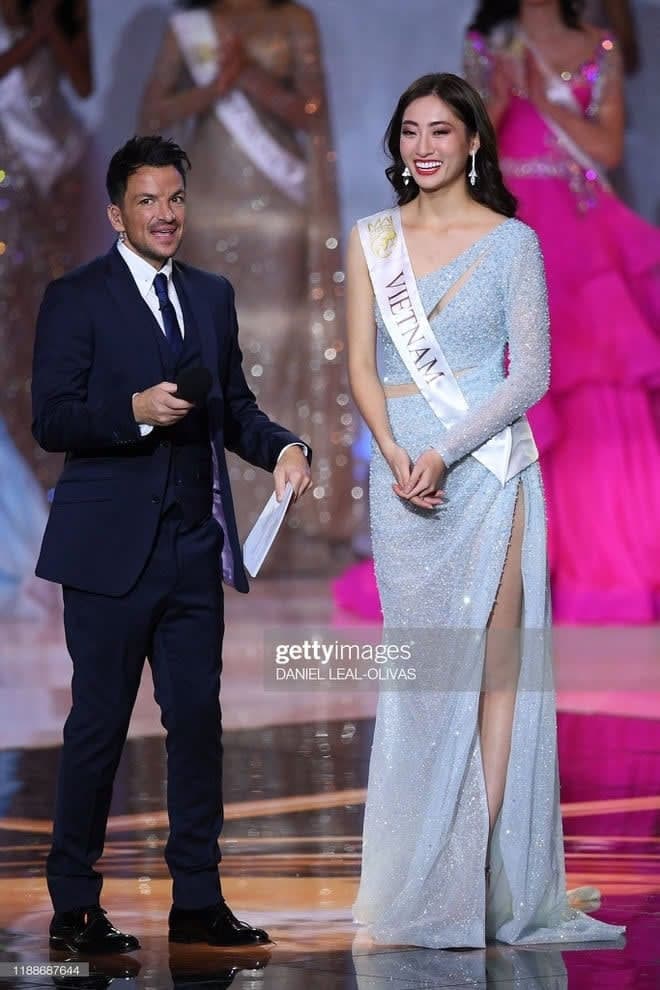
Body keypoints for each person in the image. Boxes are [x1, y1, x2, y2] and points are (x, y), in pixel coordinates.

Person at [348, 72, 624, 947]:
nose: (423, 147)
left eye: (441, 130)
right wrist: (397, 454)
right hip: (403, 481)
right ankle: (416, 871)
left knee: (495, 678)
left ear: (474, 141)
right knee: (424, 679)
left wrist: (445, 450)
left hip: (489, 469)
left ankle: (468, 870)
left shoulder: (513, 243)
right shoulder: (371, 240)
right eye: (409, 132)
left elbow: (530, 375)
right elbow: (359, 364)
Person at [31, 135, 312, 953]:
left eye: (176, 199)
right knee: (99, 726)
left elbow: (236, 409)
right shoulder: (75, 296)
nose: (165, 214)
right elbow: (53, 418)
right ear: (117, 211)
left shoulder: (213, 296)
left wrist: (286, 447)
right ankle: (74, 905)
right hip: (107, 553)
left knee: (197, 723)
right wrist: (133, 411)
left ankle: (197, 899)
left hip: (193, 545)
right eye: (148, 201)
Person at [139, 0, 356, 572]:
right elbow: (152, 114)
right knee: (212, 353)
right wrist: (215, 88)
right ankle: (210, 513)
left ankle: (281, 521)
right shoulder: (188, 28)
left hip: (277, 215)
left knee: (273, 354)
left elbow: (312, 113)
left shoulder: (294, 20)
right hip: (208, 210)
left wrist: (248, 78)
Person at [463, 0, 660, 623]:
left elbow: (605, 147)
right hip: (514, 218)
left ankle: (599, 560)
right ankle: (511, 572)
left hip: (579, 227)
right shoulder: (489, 40)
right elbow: (467, 146)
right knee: (510, 385)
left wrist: (541, 100)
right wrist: (497, 97)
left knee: (593, 389)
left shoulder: (598, 44)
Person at [0, 0, 91, 490]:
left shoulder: (68, 9)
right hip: (5, 174)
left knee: (52, 313)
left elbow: (82, 83)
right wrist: (32, 39)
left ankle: (51, 461)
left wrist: (50, 29)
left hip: (56, 177)